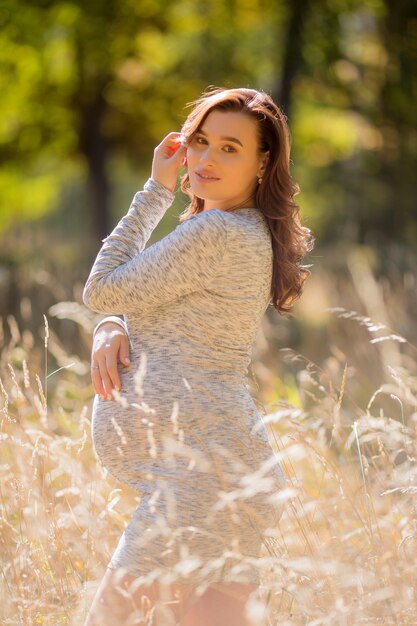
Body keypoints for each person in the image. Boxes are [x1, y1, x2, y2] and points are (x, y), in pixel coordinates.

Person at [82, 86, 314, 626]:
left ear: (263, 162)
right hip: (221, 470)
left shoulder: (218, 232)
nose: (206, 159)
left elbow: (100, 288)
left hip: (199, 476)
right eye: (200, 141)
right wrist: (113, 325)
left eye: (230, 148)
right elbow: (133, 305)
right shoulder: (234, 229)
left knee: (110, 618)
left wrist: (153, 191)